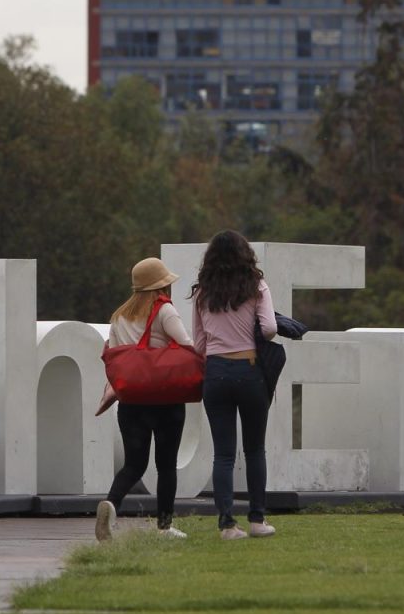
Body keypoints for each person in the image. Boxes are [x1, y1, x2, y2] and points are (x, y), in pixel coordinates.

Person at [95, 256, 193, 542]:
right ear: (161, 287)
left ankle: (111, 504)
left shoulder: (119, 316)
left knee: (134, 464)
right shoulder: (164, 310)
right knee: (166, 465)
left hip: (131, 402)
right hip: (165, 401)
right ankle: (164, 526)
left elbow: (114, 356)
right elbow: (186, 346)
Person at [190, 230, 276, 540]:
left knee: (223, 454)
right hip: (250, 370)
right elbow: (269, 329)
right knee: (255, 450)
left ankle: (227, 524)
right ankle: (257, 520)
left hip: (215, 372)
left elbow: (199, 343)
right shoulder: (257, 287)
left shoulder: (203, 292)